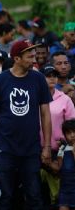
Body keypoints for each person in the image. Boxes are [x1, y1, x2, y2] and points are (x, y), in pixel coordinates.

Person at [0, 39, 52, 209]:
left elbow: (45, 114)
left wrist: (46, 146)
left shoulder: (38, 79)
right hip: (5, 148)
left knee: (34, 196)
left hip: (31, 149)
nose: (34, 60)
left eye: (34, 56)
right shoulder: (1, 80)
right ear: (16, 59)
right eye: (30, 57)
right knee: (5, 197)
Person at [39, 64, 75, 206]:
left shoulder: (64, 99)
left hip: (59, 151)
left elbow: (72, 124)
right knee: (39, 191)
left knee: (59, 192)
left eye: (54, 75)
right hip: (36, 150)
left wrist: (67, 144)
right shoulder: (34, 97)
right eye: (48, 75)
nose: (52, 78)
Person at [53, 119, 75, 210]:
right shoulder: (62, 148)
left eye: (74, 132)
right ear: (65, 135)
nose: (72, 135)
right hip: (65, 188)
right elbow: (58, 167)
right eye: (69, 133)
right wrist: (48, 162)